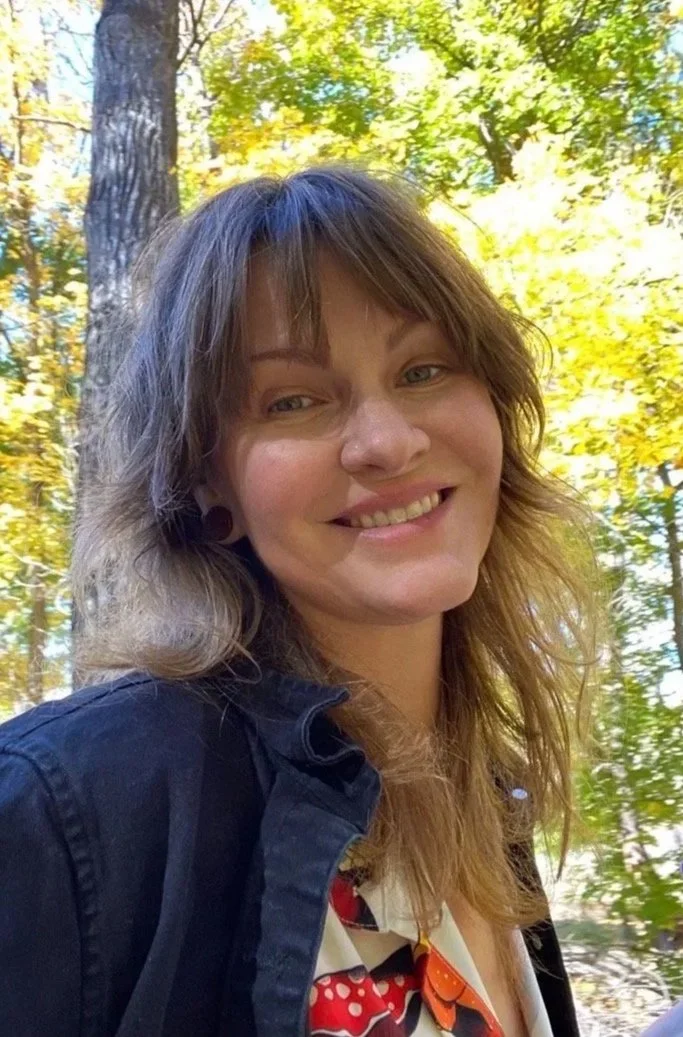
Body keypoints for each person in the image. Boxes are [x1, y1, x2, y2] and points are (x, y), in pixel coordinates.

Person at [0, 165, 599, 1037]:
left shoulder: (482, 800)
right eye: (293, 400)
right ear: (208, 484)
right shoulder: (66, 809)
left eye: (423, 368)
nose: (387, 441)